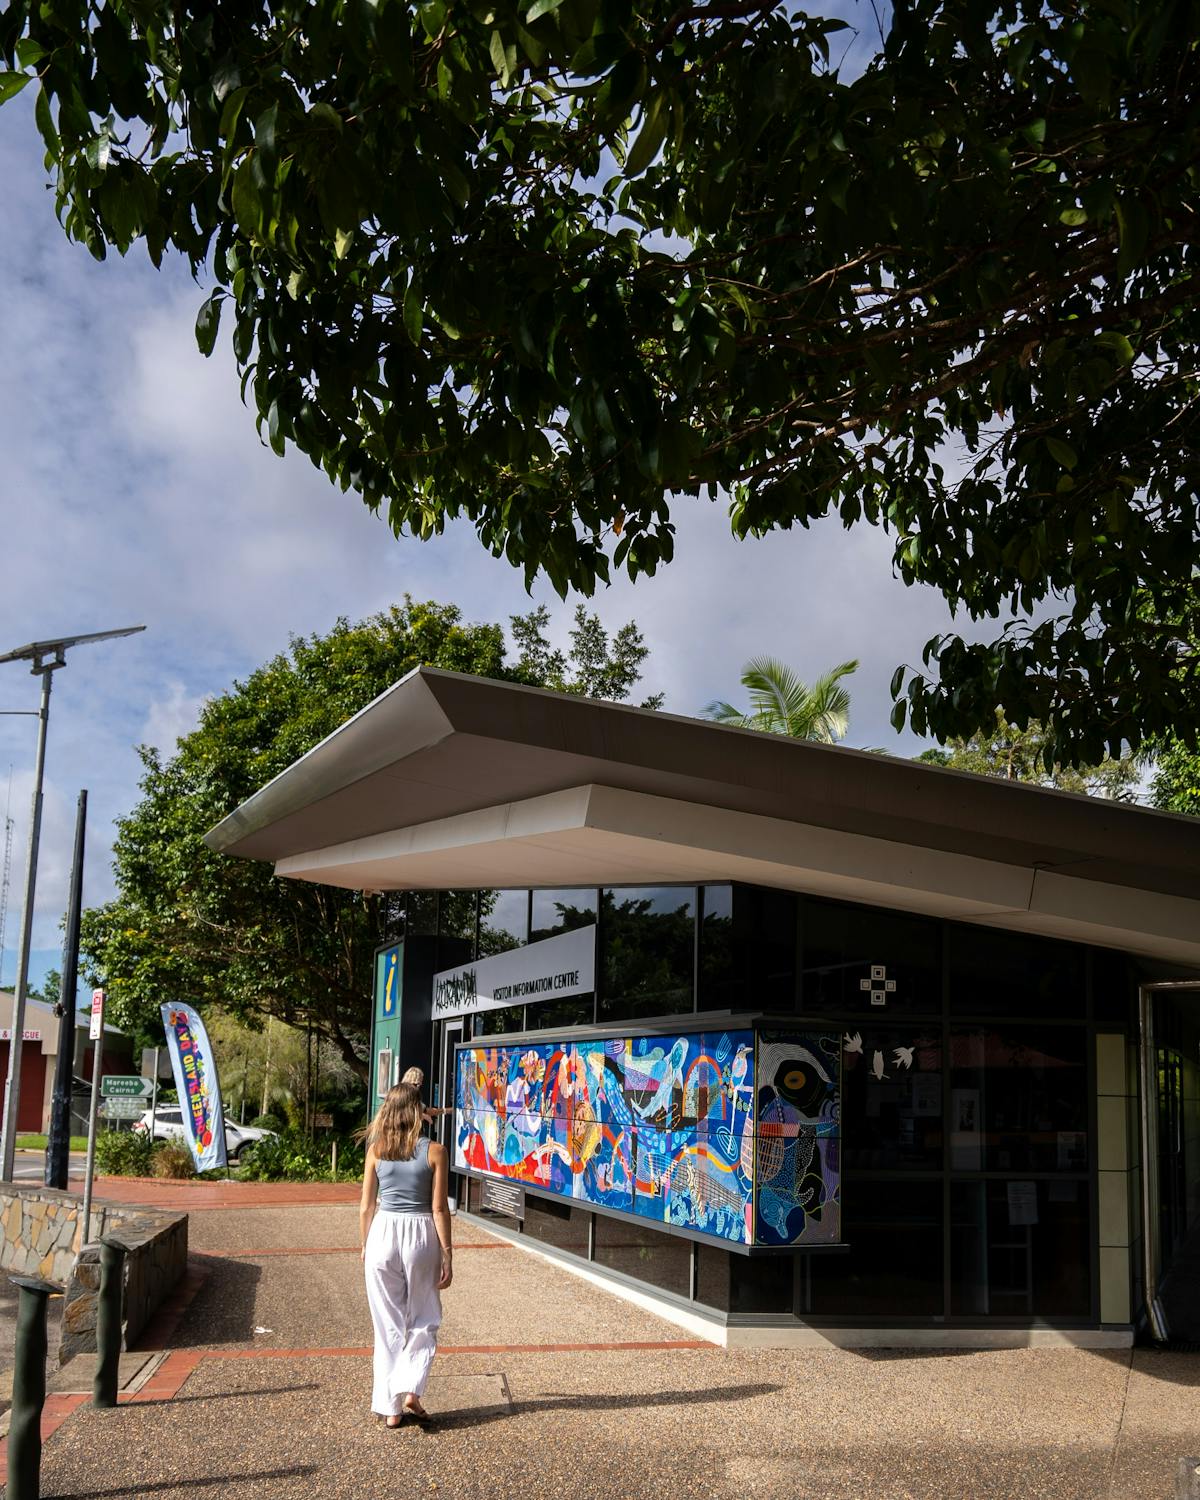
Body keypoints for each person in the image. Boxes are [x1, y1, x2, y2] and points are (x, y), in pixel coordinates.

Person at [359, 1081, 453, 1427]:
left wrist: (366, 1245)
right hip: (420, 1233)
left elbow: (366, 1206)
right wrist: (447, 1254)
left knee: (387, 1324)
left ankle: (391, 1410)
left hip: (382, 1231)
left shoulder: (376, 1150)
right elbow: (439, 1208)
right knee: (424, 1316)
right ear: (418, 1110)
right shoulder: (436, 1151)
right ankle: (412, 1387)